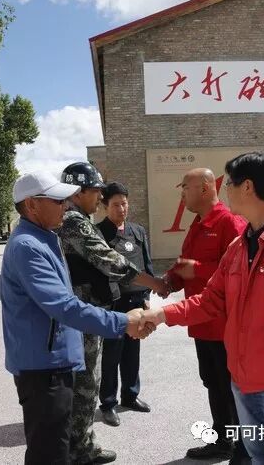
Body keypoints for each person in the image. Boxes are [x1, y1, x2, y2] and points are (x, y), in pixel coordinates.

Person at [141, 152, 264, 465]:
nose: (225, 191)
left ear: (247, 187)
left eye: (229, 184)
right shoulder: (237, 248)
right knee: (260, 459)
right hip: (243, 383)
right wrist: (160, 315)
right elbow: (210, 301)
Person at [0, 171, 151, 465]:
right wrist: (123, 322)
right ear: (32, 205)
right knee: (50, 453)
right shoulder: (28, 247)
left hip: (54, 360)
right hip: (43, 368)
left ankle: (82, 450)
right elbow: (65, 307)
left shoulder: (44, 237)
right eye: (58, 200)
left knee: (59, 443)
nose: (65, 205)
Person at [57, 162, 168, 465]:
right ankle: (79, 449)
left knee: (87, 378)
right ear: (78, 192)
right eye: (96, 192)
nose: (99, 198)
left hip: (87, 311)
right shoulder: (73, 221)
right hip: (82, 315)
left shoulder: (77, 218)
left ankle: (81, 443)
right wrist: (155, 283)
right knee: (85, 383)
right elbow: (109, 260)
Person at [163, 168, 248, 462]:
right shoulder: (198, 224)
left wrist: (195, 270)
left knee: (231, 386)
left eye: (185, 187)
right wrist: (170, 280)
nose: (182, 194)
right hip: (202, 322)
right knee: (213, 381)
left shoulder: (229, 222)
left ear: (205, 188)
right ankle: (223, 441)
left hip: (225, 324)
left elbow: (240, 269)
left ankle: (245, 448)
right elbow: (185, 264)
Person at [97, 182, 154, 427]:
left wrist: (147, 296)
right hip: (114, 303)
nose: (121, 209)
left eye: (124, 203)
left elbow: (146, 265)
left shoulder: (137, 231)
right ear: (105, 206)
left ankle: (130, 395)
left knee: (133, 351)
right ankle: (108, 403)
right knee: (111, 354)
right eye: (116, 205)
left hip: (136, 301)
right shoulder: (98, 233)